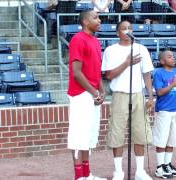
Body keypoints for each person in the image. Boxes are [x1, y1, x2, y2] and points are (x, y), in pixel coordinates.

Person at [101, 20, 154, 180]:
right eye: (123, 28)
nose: (127, 30)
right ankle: (118, 172)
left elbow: (146, 74)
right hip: (119, 95)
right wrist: (126, 63)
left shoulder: (141, 49)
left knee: (140, 132)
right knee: (117, 132)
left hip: (138, 94)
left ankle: (139, 171)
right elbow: (108, 75)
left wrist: (150, 96)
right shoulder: (111, 50)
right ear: (117, 33)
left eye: (130, 28)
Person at [67, 9, 106, 180]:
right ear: (84, 21)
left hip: (92, 93)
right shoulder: (78, 39)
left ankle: (87, 174)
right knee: (78, 136)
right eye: (95, 17)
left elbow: (95, 69)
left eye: (99, 18)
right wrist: (94, 92)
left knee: (89, 136)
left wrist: (102, 90)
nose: (99, 21)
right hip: (81, 94)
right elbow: (76, 72)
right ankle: (78, 177)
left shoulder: (95, 41)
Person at [152, 50, 176, 179]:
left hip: (175, 110)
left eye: (173, 56)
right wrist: (173, 84)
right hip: (163, 111)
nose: (173, 58)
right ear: (162, 61)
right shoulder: (158, 73)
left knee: (172, 140)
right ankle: (159, 167)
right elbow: (159, 92)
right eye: (169, 57)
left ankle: (167, 164)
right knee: (162, 140)